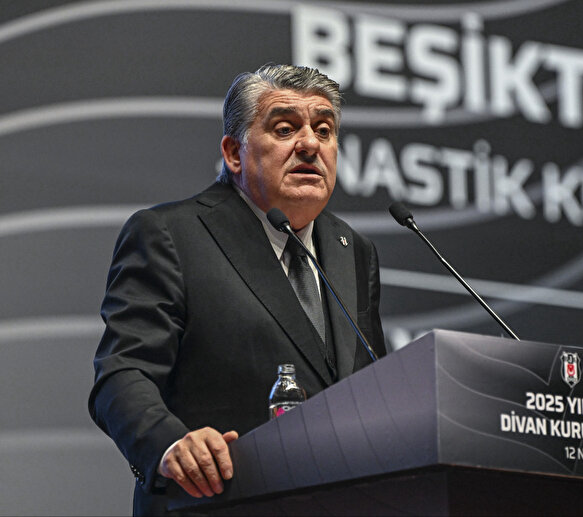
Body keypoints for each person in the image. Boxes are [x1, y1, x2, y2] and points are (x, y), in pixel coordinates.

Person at [89, 64, 387, 516]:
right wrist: (169, 443)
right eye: (285, 129)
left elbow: (372, 387)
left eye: (324, 130)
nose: (310, 144)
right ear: (233, 153)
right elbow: (122, 374)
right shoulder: (172, 234)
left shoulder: (354, 250)